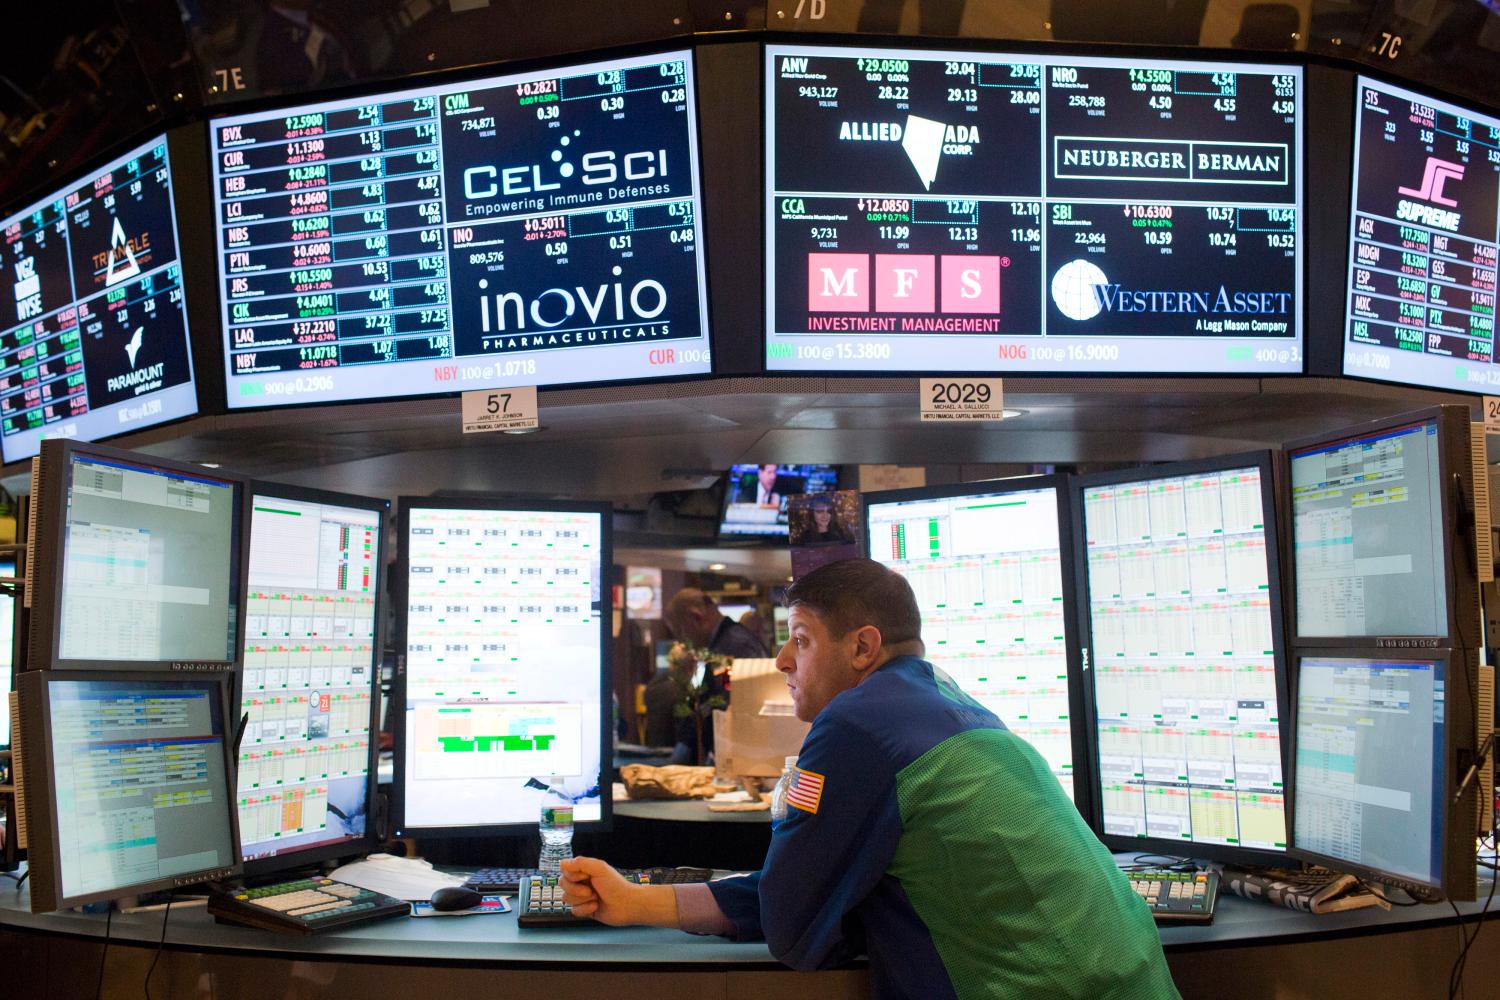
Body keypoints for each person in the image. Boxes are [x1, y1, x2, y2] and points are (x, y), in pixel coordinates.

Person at [562, 559, 1180, 1000]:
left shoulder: (854, 724)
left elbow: (791, 929)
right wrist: (638, 901)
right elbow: (804, 891)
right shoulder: (953, 704)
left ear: (863, 648)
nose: (781, 661)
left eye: (799, 641)